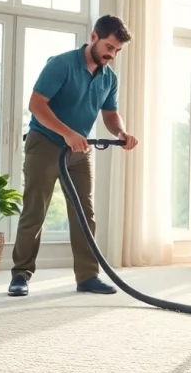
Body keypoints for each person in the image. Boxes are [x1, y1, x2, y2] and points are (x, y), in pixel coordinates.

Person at [8, 15, 137, 297]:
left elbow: (111, 114)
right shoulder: (61, 64)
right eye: (109, 47)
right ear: (93, 37)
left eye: (116, 51)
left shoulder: (109, 78)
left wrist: (121, 132)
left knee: (84, 214)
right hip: (45, 143)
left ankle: (88, 276)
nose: (111, 54)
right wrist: (67, 133)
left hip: (79, 150)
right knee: (35, 210)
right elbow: (36, 105)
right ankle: (20, 275)